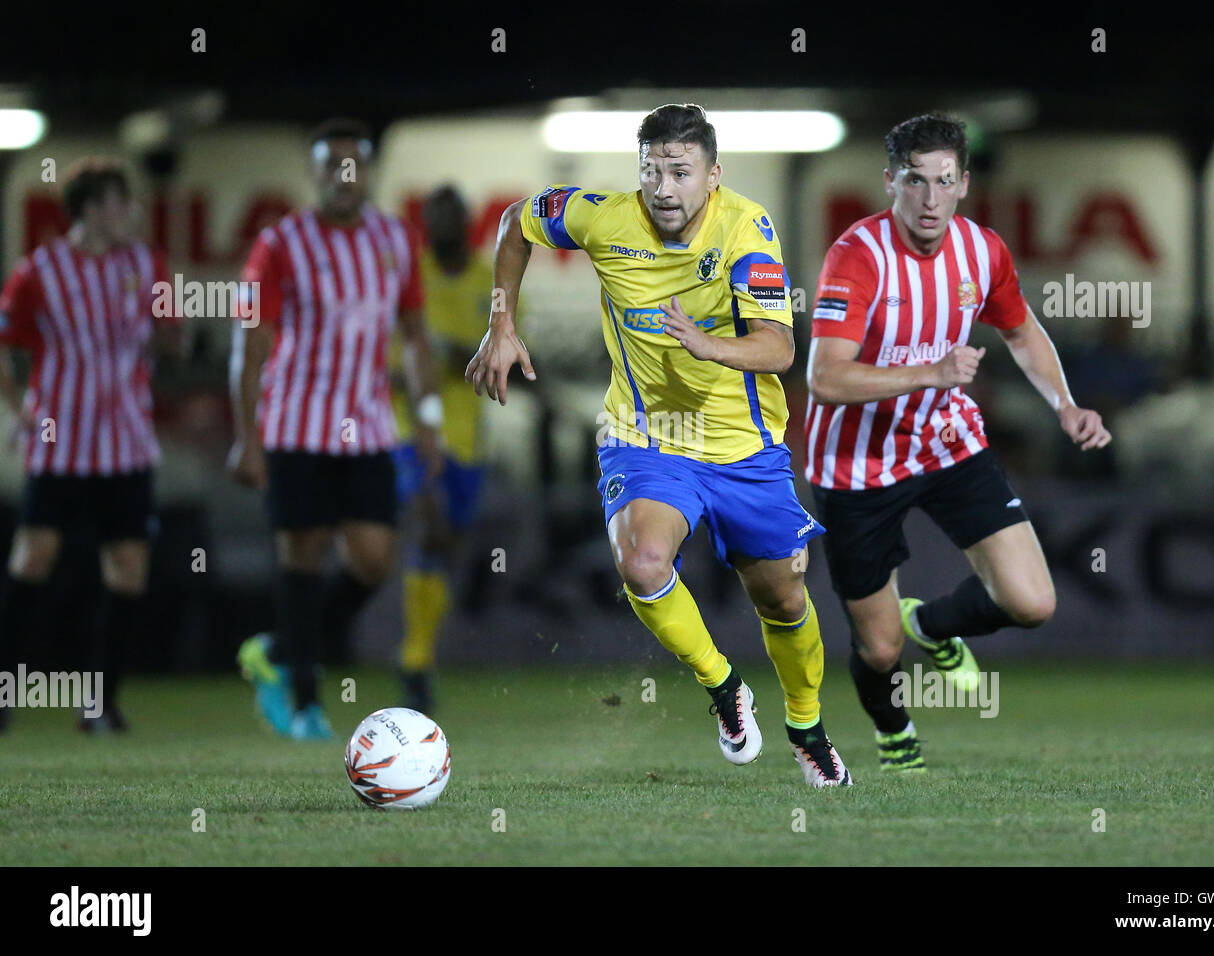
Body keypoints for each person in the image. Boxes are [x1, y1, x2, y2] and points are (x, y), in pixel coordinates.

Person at [468, 104, 851, 787]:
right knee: (644, 564)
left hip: (743, 444)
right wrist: (501, 324)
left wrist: (709, 344)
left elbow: (781, 347)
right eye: (652, 171)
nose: (665, 188)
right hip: (648, 436)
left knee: (785, 598)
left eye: (680, 171)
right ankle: (724, 686)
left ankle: (806, 724)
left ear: (713, 174)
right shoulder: (602, 216)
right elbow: (515, 225)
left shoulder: (746, 228)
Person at [804, 113, 1111, 771]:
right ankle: (895, 736)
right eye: (915, 181)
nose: (930, 199)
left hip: (945, 443)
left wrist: (1064, 404)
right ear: (890, 182)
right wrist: (933, 372)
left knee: (1032, 602)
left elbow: (1022, 330)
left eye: (945, 181)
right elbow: (825, 378)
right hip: (856, 466)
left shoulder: (982, 251)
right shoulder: (857, 256)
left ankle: (933, 625)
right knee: (879, 651)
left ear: (964, 183)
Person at [229, 119, 441, 740]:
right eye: (330, 165)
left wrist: (427, 421)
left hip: (370, 426)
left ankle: (277, 649)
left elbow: (416, 335)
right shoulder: (280, 243)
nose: (342, 177)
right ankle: (303, 704)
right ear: (314, 174)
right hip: (296, 424)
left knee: (375, 559)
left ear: (368, 173)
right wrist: (247, 436)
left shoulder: (395, 240)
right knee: (304, 554)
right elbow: (251, 345)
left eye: (353, 165)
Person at [0, 157, 178, 733]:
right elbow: (5, 342)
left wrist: (170, 327)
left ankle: (100, 704)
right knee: (34, 559)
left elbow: (167, 339)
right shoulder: (40, 271)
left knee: (128, 569)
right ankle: (6, 692)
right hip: (60, 441)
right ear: (91, 209)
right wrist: (17, 409)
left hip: (126, 441)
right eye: (117, 201)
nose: (128, 212)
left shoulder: (146, 264)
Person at [391, 185, 498, 714]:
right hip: (415, 431)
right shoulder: (409, 275)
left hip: (469, 440)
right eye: (433, 218)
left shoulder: (489, 280)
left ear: (467, 222)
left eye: (451, 217)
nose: (441, 227)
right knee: (428, 523)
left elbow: (502, 355)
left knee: (447, 542)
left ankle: (421, 654)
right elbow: (392, 365)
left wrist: (458, 357)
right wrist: (446, 363)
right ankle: (413, 661)